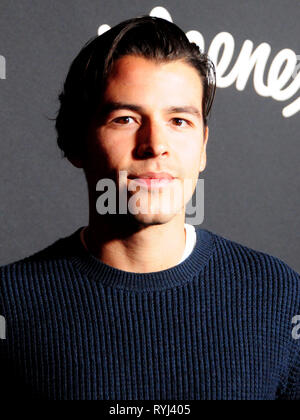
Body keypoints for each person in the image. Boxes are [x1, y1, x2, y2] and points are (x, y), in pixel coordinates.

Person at [0, 15, 299, 401]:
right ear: (75, 142)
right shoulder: (10, 305)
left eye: (179, 120)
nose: (155, 144)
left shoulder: (278, 297)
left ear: (203, 145)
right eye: (125, 119)